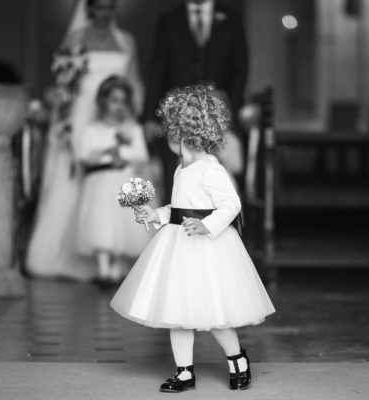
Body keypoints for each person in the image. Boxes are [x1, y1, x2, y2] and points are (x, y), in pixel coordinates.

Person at [110, 84, 275, 393]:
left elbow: (231, 204)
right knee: (178, 313)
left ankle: (238, 360)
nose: (171, 140)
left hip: (207, 249)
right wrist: (155, 215)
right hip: (178, 247)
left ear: (186, 136)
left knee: (215, 314)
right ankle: (184, 372)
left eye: (174, 134)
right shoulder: (181, 169)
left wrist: (207, 226)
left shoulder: (210, 169)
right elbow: (178, 206)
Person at [26, 0, 144, 281]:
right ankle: (71, 253)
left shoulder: (126, 40)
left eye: (109, 7)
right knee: (75, 179)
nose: (104, 13)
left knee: (118, 179)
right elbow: (64, 82)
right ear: (89, 9)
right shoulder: (77, 38)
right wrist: (65, 118)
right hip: (82, 115)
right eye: (99, 7)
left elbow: (134, 82)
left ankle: (116, 250)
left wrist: (132, 118)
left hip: (116, 111)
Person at [142, 0, 248, 203]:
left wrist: (230, 112)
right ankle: (179, 228)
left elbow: (239, 70)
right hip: (177, 116)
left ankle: (217, 227)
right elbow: (157, 69)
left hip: (218, 116)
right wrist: (149, 115)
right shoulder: (168, 19)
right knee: (176, 177)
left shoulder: (231, 18)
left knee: (218, 176)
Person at [76, 76, 150, 284]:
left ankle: (116, 270)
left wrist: (124, 157)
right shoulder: (92, 130)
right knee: (101, 224)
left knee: (122, 226)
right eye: (114, 100)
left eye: (123, 101)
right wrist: (105, 152)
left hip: (124, 180)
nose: (118, 106)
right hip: (99, 184)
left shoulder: (133, 130)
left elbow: (141, 156)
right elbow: (84, 156)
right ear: (103, 101)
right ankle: (103, 270)